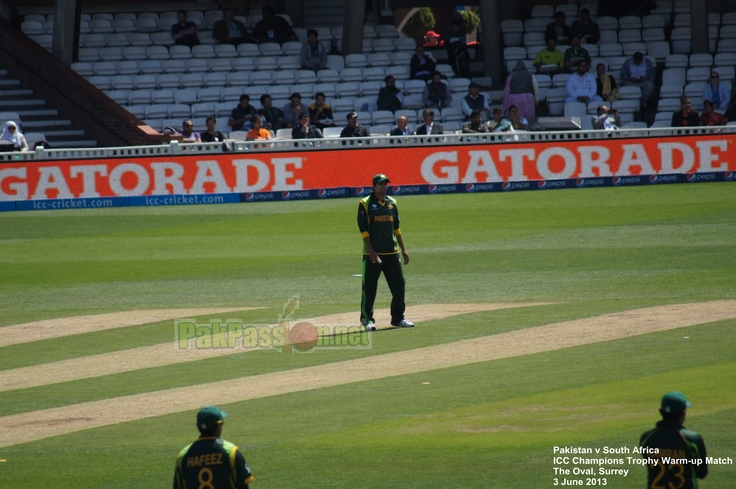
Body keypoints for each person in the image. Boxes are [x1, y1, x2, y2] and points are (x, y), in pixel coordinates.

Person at [357, 173, 414, 331]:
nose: (383, 186)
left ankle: (398, 318)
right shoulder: (365, 203)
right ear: (373, 186)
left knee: (399, 286)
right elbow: (364, 230)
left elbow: (396, 228)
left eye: (385, 184)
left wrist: (403, 249)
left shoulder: (392, 203)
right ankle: (367, 319)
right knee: (369, 288)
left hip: (392, 253)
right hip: (372, 255)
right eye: (380, 184)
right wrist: (371, 251)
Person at [173, 406, 254, 489]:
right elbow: (243, 485)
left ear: (198, 426)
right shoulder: (231, 452)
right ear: (218, 426)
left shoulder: (183, 456)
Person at [640, 392, 707, 489]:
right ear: (683, 413)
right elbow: (701, 473)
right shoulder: (692, 439)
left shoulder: (646, 438)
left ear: (660, 411)